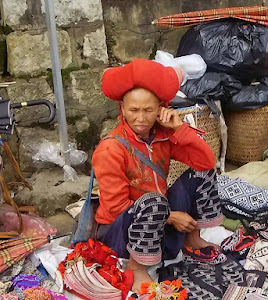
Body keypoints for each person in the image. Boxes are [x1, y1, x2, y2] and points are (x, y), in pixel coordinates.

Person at [92, 58, 223, 292]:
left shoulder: (163, 136)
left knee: (200, 174)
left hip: (156, 218)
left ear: (162, 108)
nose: (141, 118)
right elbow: (116, 207)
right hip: (123, 232)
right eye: (133, 110)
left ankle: (192, 238)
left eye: (148, 110)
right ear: (122, 108)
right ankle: (136, 267)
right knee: (154, 201)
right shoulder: (111, 148)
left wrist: (178, 128)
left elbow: (205, 161)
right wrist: (171, 217)